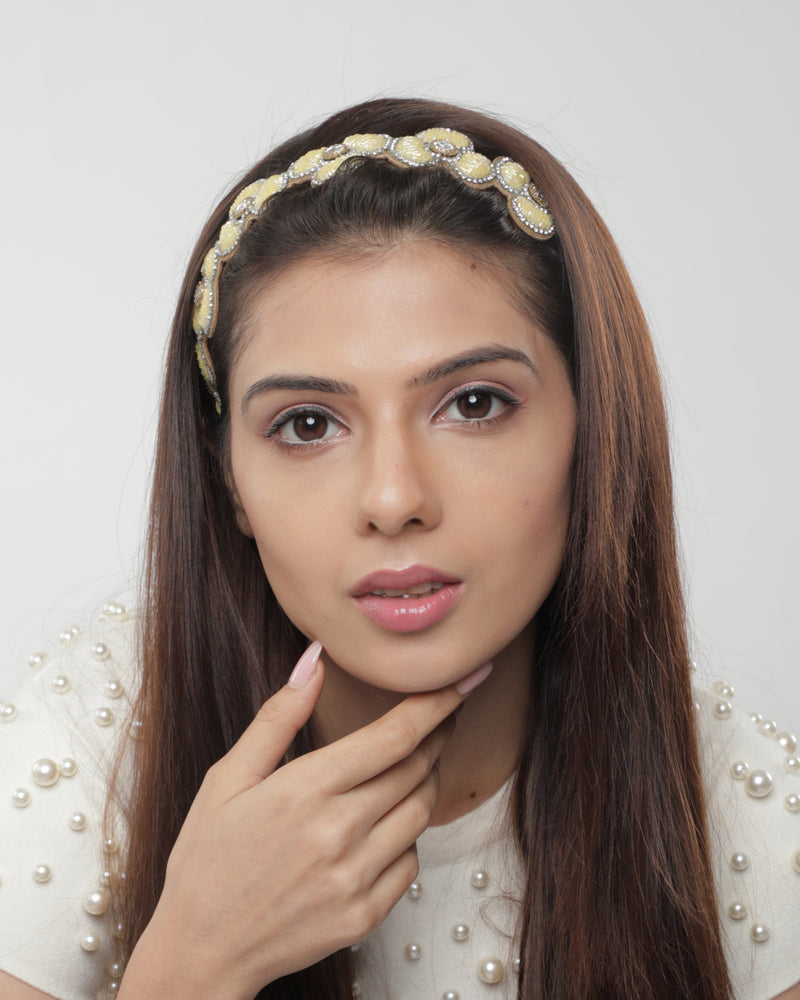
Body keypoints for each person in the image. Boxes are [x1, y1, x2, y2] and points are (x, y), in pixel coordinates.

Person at [0, 97, 798, 1000]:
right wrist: (194, 958)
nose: (393, 499)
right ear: (228, 483)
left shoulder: (734, 799)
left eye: (473, 404)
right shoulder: (101, 733)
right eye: (308, 423)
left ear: (595, 434)